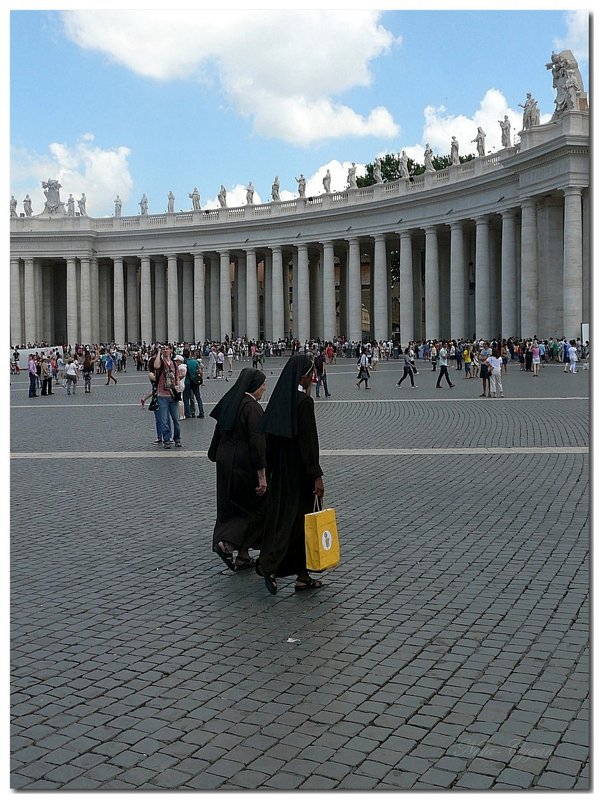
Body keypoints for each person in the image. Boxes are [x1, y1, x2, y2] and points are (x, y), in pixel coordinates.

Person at [255, 355, 324, 594]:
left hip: (281, 473)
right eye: (310, 373)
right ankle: (269, 564)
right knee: (298, 523)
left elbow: (269, 441)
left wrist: (270, 472)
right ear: (302, 375)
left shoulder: (278, 402)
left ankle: (302, 576)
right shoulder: (304, 403)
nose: (312, 378)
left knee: (283, 519)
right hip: (299, 474)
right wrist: (316, 476)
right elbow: (309, 444)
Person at [208, 368, 268, 572]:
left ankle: (243, 556)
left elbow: (218, 431)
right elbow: (258, 443)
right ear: (254, 387)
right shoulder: (252, 408)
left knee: (232, 504)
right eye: (262, 386)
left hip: (225, 462)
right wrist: (262, 475)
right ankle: (228, 543)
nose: (264, 390)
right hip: (244, 464)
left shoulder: (231, 401)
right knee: (255, 508)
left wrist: (215, 455)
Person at [151, 343, 182, 449]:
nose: (165, 350)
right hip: (162, 395)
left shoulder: (174, 363)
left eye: (166, 349)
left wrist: (177, 386)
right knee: (164, 420)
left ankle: (177, 438)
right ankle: (167, 440)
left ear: (171, 351)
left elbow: (177, 376)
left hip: (173, 395)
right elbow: (155, 366)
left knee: (176, 419)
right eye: (163, 349)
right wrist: (159, 352)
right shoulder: (161, 362)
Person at [182, 347, 205, 419]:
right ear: (189, 354)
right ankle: (201, 412)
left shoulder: (184, 363)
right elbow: (200, 371)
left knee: (186, 398)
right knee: (198, 398)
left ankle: (187, 414)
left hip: (187, 382)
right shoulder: (195, 362)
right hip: (195, 381)